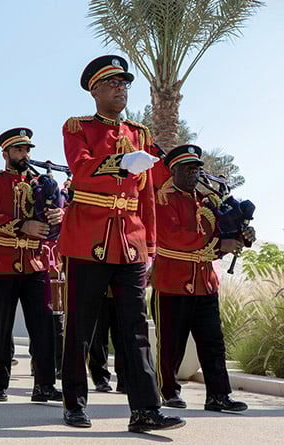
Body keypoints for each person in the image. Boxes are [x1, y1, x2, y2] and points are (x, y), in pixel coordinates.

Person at [59, 55, 184, 433]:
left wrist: (150, 246)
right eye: (112, 83)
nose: (120, 89)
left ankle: (146, 409)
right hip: (88, 240)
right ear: (95, 91)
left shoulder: (141, 133)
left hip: (129, 241)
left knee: (136, 329)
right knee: (80, 329)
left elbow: (146, 197)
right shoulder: (77, 127)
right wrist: (122, 162)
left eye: (124, 83)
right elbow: (81, 171)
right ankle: (75, 403)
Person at [151, 144, 253, 412]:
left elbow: (223, 230)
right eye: (187, 169)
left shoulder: (208, 201)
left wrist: (242, 235)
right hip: (173, 282)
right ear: (173, 170)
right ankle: (169, 391)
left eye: (196, 169)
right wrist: (221, 243)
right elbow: (172, 237)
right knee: (172, 344)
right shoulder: (162, 198)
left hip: (205, 282)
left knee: (213, 343)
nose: (193, 174)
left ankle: (219, 395)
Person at [0, 130, 62, 403]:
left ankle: (44, 385)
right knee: (1, 328)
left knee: (43, 327)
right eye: (18, 151)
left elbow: (55, 215)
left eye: (26, 150)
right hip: (2, 263)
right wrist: (22, 226)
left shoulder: (42, 182)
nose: (24, 155)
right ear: (5, 154)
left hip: (35, 263)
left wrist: (57, 213)